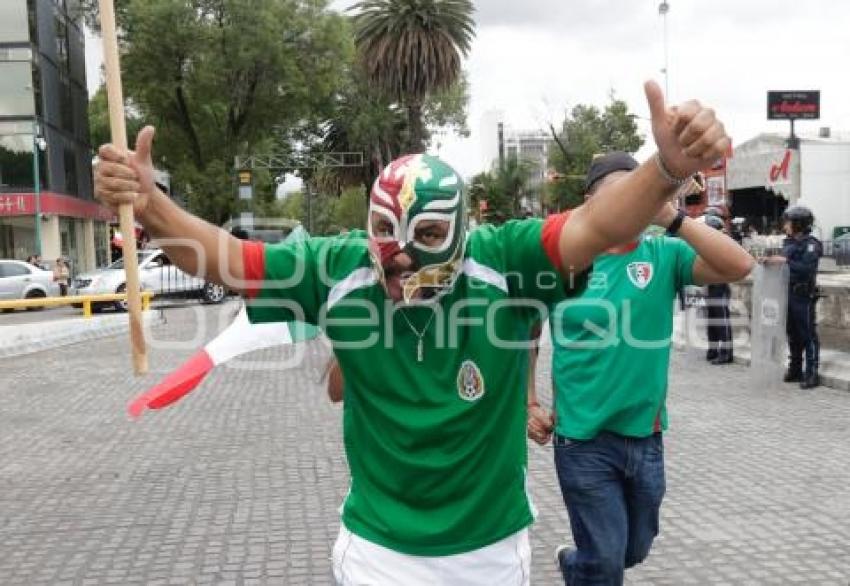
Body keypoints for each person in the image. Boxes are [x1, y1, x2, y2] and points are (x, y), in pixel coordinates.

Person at [95, 81, 731, 585]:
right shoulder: (339, 266)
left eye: (425, 235)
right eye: (382, 227)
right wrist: (150, 203)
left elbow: (596, 226)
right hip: (378, 552)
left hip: (489, 550)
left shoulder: (505, 261)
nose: (396, 253)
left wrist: (665, 172)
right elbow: (227, 260)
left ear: (458, 230)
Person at [526, 152, 753, 586]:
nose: (628, 205)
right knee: (609, 562)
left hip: (645, 436)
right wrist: (529, 401)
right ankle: (590, 566)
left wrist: (672, 217)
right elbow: (525, 331)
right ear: (589, 200)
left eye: (637, 193)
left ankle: (578, 564)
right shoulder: (563, 261)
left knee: (634, 548)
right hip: (581, 438)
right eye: (617, 195)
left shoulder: (663, 254)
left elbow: (739, 265)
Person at [764, 206, 822, 389]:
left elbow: (806, 270)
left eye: (788, 222)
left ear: (799, 224)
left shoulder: (811, 244)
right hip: (787, 293)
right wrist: (770, 262)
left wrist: (785, 262)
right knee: (792, 333)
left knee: (807, 334)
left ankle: (812, 373)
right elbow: (783, 266)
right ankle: (795, 368)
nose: (785, 226)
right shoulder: (788, 243)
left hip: (803, 295)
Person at [702, 214, 734, 364]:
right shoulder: (710, 244)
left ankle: (726, 352)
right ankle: (713, 349)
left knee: (722, 321)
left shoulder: (724, 244)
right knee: (712, 321)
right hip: (711, 285)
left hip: (720, 285)